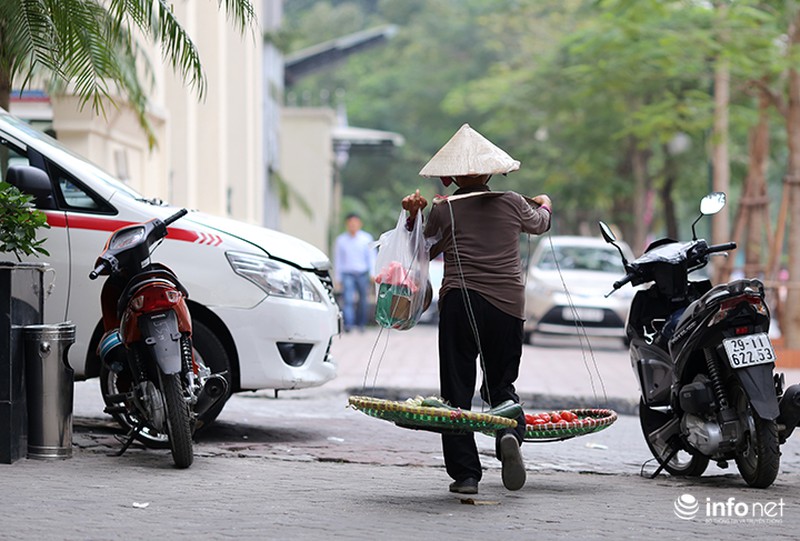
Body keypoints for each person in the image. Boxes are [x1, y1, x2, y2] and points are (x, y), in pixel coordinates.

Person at [401, 124, 551, 494]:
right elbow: (542, 224)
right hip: (507, 307)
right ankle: (506, 434)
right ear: (489, 172)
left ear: (451, 177)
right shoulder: (515, 202)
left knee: (457, 389)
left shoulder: (444, 210)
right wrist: (545, 202)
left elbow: (420, 249)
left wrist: (412, 216)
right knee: (502, 384)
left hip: (460, 302)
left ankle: (466, 475)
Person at [334, 212, 376, 332]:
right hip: (347, 273)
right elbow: (338, 260)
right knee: (348, 299)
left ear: (359, 224)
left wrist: (373, 273)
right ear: (347, 224)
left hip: (362, 273)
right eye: (350, 223)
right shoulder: (341, 240)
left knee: (363, 300)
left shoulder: (366, 239)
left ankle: (361, 324)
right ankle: (349, 324)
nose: (353, 225)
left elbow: (371, 257)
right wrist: (338, 278)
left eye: (355, 223)